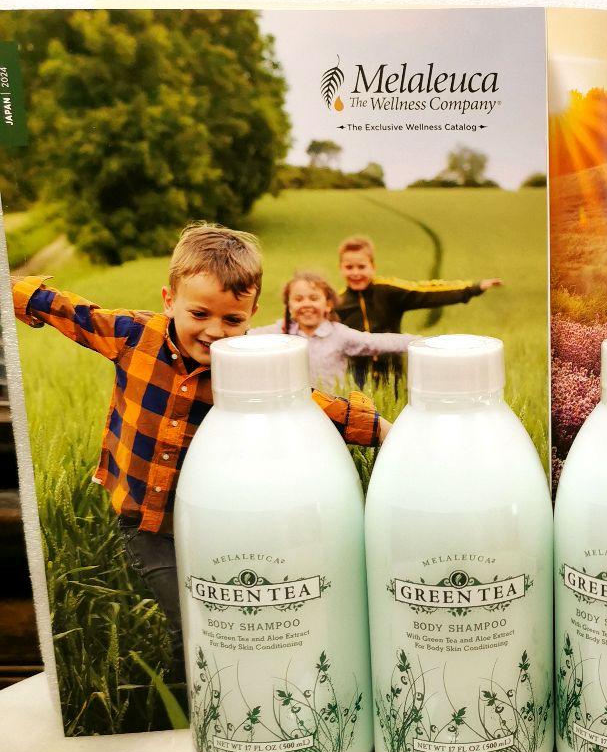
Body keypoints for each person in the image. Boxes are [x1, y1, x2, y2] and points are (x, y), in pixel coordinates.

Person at [11, 224, 386, 676]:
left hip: (216, 527)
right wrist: (15, 291)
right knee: (189, 626)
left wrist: (385, 430)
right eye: (200, 313)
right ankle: (185, 700)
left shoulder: (248, 366)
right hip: (145, 520)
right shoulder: (134, 335)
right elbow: (75, 313)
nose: (214, 332)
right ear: (169, 300)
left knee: (222, 620)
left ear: (251, 314)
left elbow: (310, 403)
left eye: (232, 320)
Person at [336, 234, 502, 386]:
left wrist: (473, 288)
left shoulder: (388, 291)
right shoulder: (338, 303)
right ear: (341, 268)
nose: (355, 273)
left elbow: (428, 292)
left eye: (361, 267)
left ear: (373, 267)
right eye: (349, 267)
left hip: (393, 372)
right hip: (356, 375)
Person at [250, 271, 415, 389]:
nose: (306, 304)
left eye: (314, 298)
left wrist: (417, 342)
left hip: (331, 411)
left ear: (328, 304)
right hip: (294, 408)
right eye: (298, 299)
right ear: (289, 306)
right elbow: (246, 337)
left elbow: (375, 342)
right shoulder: (281, 332)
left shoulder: (339, 334)